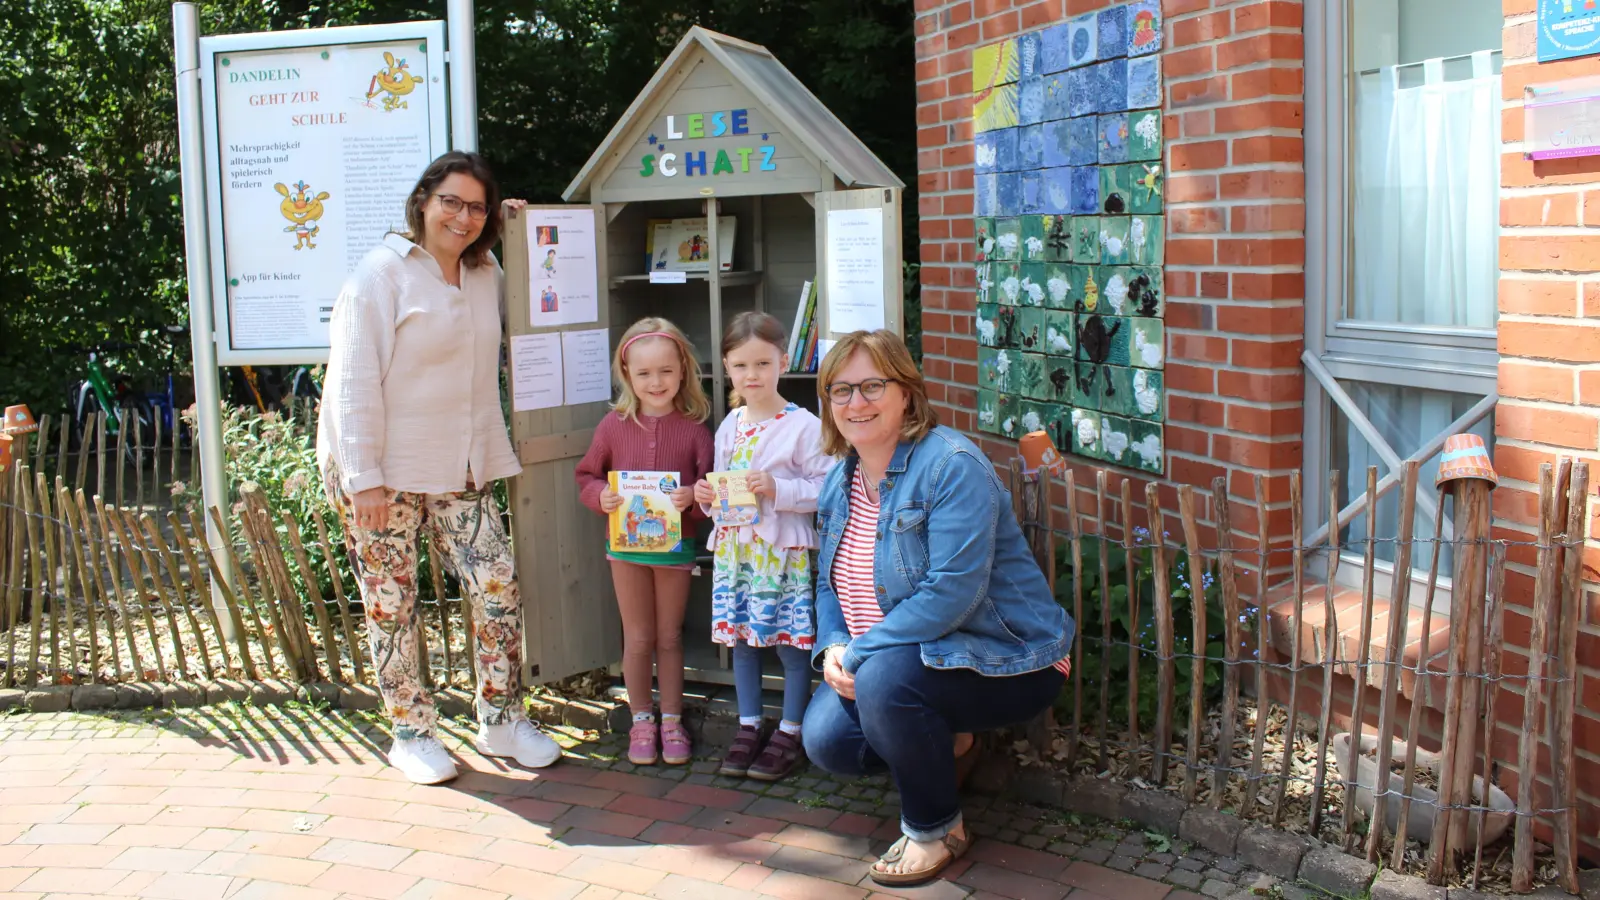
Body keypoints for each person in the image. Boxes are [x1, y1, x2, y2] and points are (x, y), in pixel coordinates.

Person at [317, 150, 561, 785]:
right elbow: (351, 381)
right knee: (392, 605)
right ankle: (411, 732)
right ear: (423, 201)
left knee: (498, 586)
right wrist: (361, 477)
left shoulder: (484, 274)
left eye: (476, 206)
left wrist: (524, 231)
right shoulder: (381, 275)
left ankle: (501, 718)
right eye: (450, 201)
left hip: (463, 464)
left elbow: (537, 300)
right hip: (385, 473)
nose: (462, 215)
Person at [802, 330, 1075, 887]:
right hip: (902, 663)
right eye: (841, 389)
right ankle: (947, 739)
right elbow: (826, 585)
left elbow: (953, 592)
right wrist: (832, 646)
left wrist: (859, 654)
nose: (857, 403)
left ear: (906, 391)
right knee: (828, 742)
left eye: (873, 385)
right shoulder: (840, 479)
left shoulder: (951, 466)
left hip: (1010, 657)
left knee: (882, 684)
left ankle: (935, 828)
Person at [692, 312, 833, 782]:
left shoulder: (802, 425)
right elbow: (722, 486)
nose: (751, 376)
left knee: (791, 646)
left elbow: (825, 487)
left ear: (783, 361)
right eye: (740, 366)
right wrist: (708, 497)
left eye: (762, 364)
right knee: (743, 644)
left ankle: (790, 730)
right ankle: (749, 724)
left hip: (781, 554)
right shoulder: (730, 423)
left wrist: (777, 488)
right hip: (736, 554)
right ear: (727, 368)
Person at [575, 317, 714, 766]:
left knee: (669, 636)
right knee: (637, 638)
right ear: (627, 375)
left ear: (683, 371)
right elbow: (586, 477)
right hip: (626, 551)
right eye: (644, 373)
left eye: (666, 371)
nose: (656, 382)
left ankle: (671, 719)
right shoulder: (613, 426)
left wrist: (694, 496)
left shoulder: (695, 431)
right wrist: (603, 497)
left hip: (675, 549)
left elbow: (712, 491)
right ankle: (641, 721)